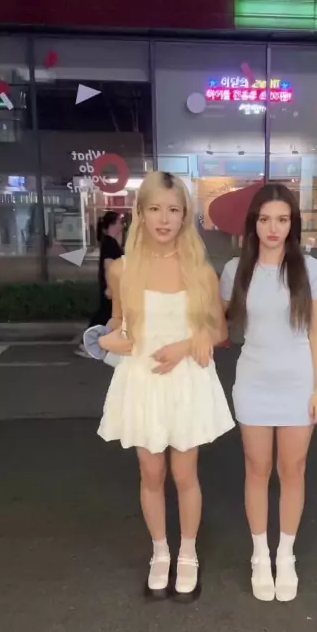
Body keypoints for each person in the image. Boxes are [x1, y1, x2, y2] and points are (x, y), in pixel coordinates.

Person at [97, 171, 234, 602]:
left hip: (186, 380)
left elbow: (218, 332)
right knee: (151, 473)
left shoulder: (200, 271)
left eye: (173, 210)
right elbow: (119, 324)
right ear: (140, 212)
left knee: (184, 473)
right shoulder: (122, 269)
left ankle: (187, 552)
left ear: (184, 216)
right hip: (142, 380)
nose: (164, 218)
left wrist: (185, 345)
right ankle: (160, 552)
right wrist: (105, 339)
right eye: (155, 208)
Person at [220, 183, 317, 603]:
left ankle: (286, 555)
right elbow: (215, 322)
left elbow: (316, 333)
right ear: (253, 223)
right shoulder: (236, 270)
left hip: (298, 382)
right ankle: (259, 556)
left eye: (282, 219)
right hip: (253, 382)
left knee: (293, 469)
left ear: (292, 223)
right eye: (265, 219)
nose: (273, 228)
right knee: (256, 469)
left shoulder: (310, 269)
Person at [75, 211, 124, 357]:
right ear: (113, 225)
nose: (122, 225)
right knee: (104, 315)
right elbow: (108, 265)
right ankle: (88, 344)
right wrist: (110, 286)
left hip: (111, 285)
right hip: (111, 286)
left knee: (105, 314)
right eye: (120, 222)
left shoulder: (110, 241)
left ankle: (97, 343)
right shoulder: (110, 243)